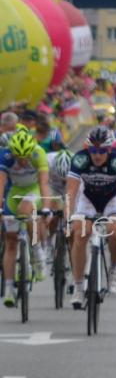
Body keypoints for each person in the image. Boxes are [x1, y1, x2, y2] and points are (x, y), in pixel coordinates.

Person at [66, 126, 116, 307]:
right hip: (88, 199)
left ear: (109, 149)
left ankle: (114, 268)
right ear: (88, 148)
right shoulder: (80, 159)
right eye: (93, 150)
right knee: (79, 233)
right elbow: (70, 192)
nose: (97, 155)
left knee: (115, 231)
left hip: (112, 199)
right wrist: (68, 219)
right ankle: (78, 286)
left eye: (102, 150)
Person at [0, 129, 51, 306]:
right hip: (14, 192)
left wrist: (45, 207)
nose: (21, 161)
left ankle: (38, 253)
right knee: (11, 241)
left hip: (33, 190)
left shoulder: (38, 153)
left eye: (25, 157)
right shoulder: (5, 156)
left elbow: (44, 184)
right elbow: (1, 184)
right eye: (18, 157)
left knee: (26, 208)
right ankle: (8, 288)